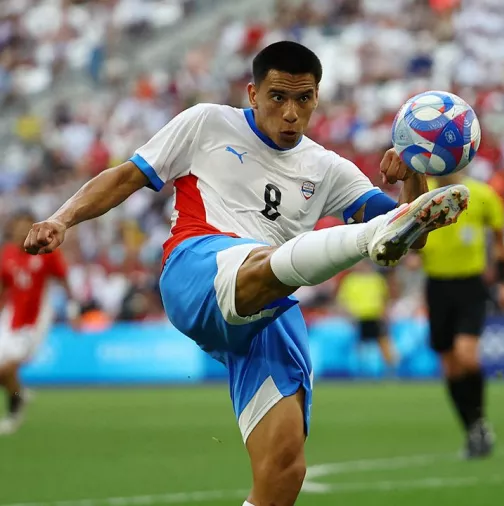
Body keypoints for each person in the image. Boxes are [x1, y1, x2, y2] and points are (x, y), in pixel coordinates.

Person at [23, 41, 469, 506]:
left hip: (268, 306)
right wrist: (62, 218)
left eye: (304, 98)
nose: (292, 112)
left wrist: (414, 172)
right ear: (253, 93)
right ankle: (363, 241)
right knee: (271, 259)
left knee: (284, 469)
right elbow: (125, 177)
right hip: (196, 269)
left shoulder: (328, 168)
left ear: (318, 97)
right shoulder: (207, 122)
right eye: (279, 96)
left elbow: (414, 233)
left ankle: (367, 239)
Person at [418, 169, 504, 459]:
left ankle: (480, 421)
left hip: (471, 285)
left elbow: (499, 241)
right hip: (436, 286)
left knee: (466, 355)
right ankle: (473, 429)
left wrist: (503, 283)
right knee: (450, 366)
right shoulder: (423, 195)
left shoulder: (482, 194)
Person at [0, 210, 76, 435]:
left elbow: (63, 279)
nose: (22, 230)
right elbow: (4, 286)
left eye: (27, 226)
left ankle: (14, 412)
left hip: (35, 320)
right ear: (12, 228)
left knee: (7, 369)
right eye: (18, 225)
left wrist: (73, 309)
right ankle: (19, 393)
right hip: (10, 318)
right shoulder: (7, 254)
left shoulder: (46, 252)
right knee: (3, 373)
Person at [336, 261, 396, 374]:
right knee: (360, 346)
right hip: (358, 318)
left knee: (383, 343)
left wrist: (384, 312)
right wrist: (349, 313)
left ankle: (391, 370)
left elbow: (385, 297)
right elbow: (343, 299)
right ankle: (360, 370)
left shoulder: (377, 279)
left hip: (375, 316)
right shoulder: (350, 280)